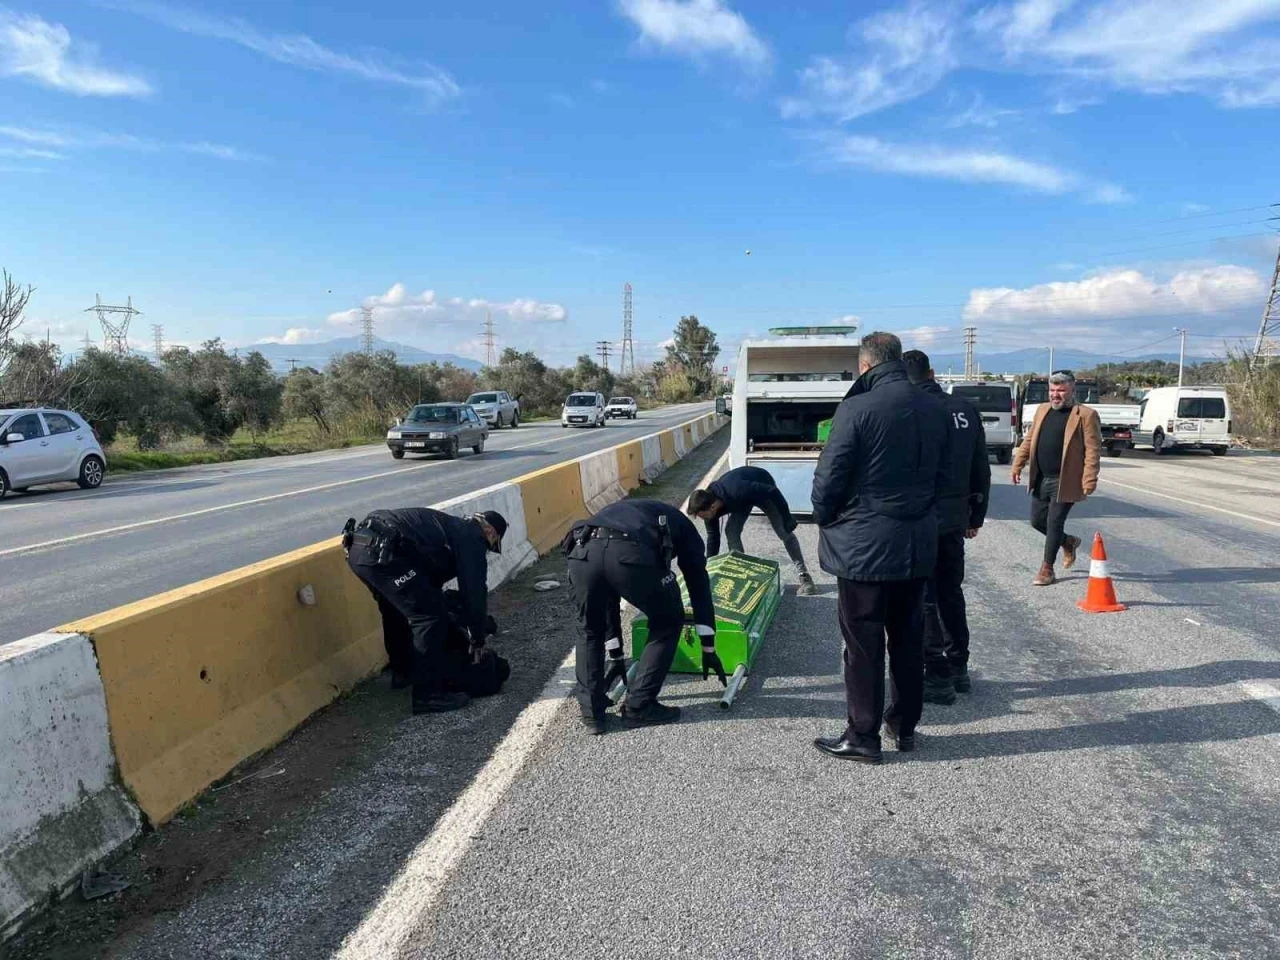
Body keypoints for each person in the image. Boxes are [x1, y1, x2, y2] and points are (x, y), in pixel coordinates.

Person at [810, 332, 949, 765]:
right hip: (917, 544)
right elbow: (947, 477)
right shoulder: (936, 407)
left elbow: (829, 481)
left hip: (865, 548)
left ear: (866, 365)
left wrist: (827, 516)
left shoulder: (857, 407)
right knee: (908, 638)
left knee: (863, 644)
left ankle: (862, 736)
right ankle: (904, 725)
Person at [564, 498, 722, 735]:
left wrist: (616, 656)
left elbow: (609, 599)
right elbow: (698, 585)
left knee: (588, 631)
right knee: (667, 621)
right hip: (629, 555)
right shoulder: (685, 530)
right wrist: (708, 646)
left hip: (582, 553)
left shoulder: (619, 511)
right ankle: (639, 705)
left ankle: (592, 714)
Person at [342, 508, 506, 714]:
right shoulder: (471, 536)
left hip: (359, 550)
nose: (486, 549)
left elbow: (429, 582)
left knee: (397, 609)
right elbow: (473, 590)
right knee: (429, 618)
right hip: (385, 554)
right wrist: (478, 638)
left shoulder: (448, 528)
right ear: (490, 533)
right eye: (491, 545)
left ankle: (403, 673)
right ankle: (428, 695)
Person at [901, 350, 990, 706]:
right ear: (933, 373)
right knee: (951, 594)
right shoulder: (965, 410)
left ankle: (936, 671)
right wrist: (975, 517)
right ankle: (959, 668)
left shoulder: (911, 412)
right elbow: (979, 466)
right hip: (954, 519)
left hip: (920, 521)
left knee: (925, 598)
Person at [1011, 370, 1102, 586]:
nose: (1055, 395)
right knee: (1037, 522)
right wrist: (1017, 465)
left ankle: (1047, 569)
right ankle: (1068, 542)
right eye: (1052, 390)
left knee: (1054, 522)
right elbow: (1029, 440)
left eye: (1061, 390)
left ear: (1072, 390)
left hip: (1066, 479)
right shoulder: (1042, 410)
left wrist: (1090, 478)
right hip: (1041, 477)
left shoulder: (1086, 415)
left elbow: (1093, 449)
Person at [687, 465, 817, 595]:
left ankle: (805, 576)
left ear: (712, 507)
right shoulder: (708, 508)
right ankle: (742, 575)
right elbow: (713, 539)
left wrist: (787, 517)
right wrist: (708, 572)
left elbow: (772, 491)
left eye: (702, 516)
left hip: (763, 487)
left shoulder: (737, 490)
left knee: (783, 531)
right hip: (741, 500)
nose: (702, 519)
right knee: (731, 531)